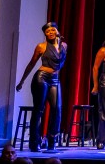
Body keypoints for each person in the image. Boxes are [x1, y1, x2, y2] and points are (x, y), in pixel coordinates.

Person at [15, 22, 68, 153]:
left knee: (57, 109)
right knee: (39, 110)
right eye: (47, 31)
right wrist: (22, 81)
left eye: (52, 30)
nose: (50, 32)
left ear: (57, 31)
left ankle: (51, 140)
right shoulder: (41, 46)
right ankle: (35, 142)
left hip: (55, 80)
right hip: (41, 77)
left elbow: (61, 63)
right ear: (45, 34)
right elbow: (31, 64)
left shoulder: (64, 46)